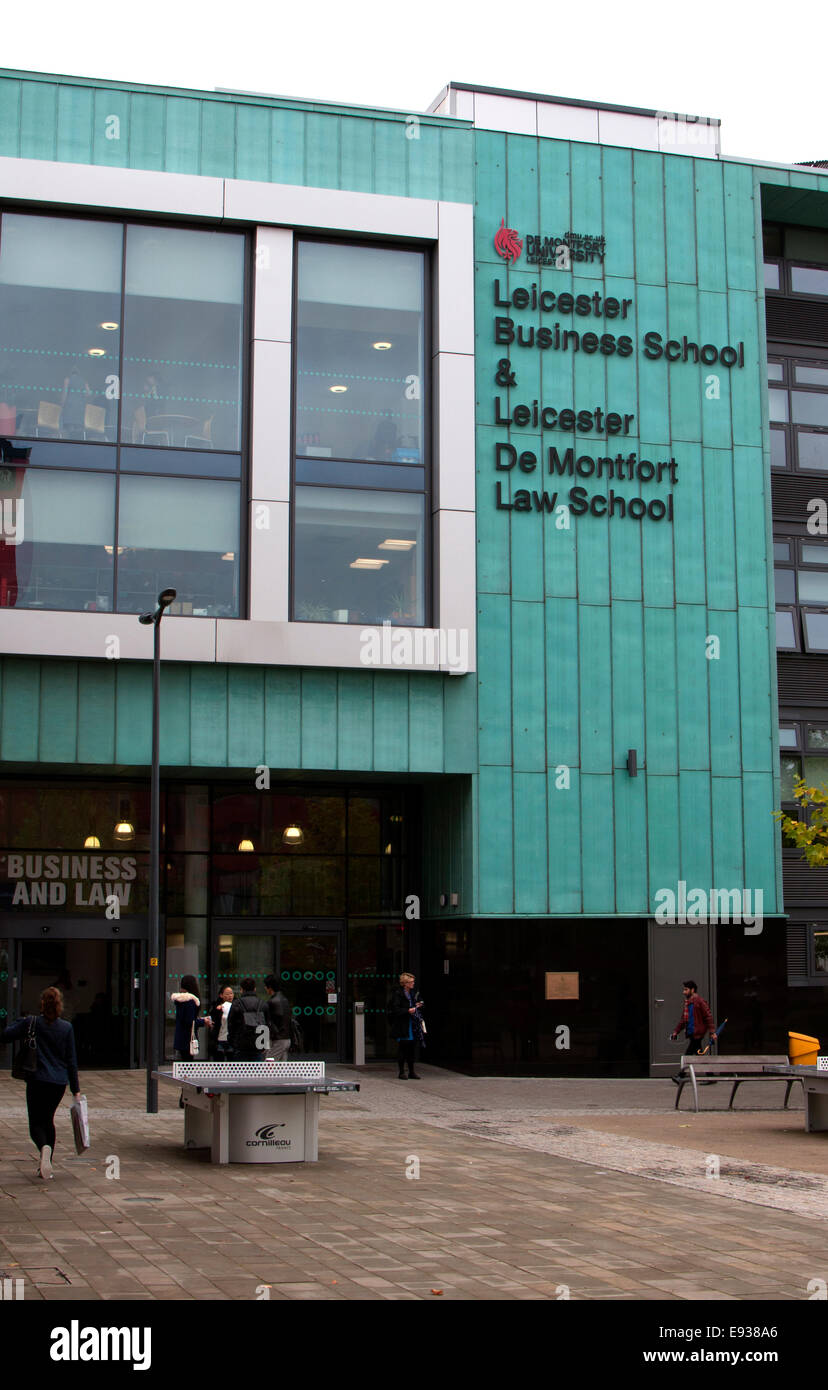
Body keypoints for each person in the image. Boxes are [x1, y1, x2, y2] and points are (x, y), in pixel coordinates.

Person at [0, 986, 81, 1180]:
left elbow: (6, 1035)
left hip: (37, 1079)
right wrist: (75, 1089)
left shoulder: (31, 1023)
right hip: (58, 1083)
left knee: (36, 1123)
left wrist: (21, 1021)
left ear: (42, 1003)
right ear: (60, 1005)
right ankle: (48, 1162)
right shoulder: (66, 1028)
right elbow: (71, 1060)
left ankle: (43, 1148)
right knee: (48, 1120)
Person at [387, 972, 425, 1079]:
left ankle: (412, 1071)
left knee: (411, 1049)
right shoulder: (398, 993)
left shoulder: (414, 993)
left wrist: (419, 1004)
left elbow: (420, 1001)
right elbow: (395, 1009)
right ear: (405, 983)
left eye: (413, 981)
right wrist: (407, 1010)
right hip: (403, 1024)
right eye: (411, 982)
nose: (413, 983)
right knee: (403, 1047)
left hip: (413, 1023)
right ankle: (401, 1072)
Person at [671, 979, 717, 1057]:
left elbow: (708, 1016)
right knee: (698, 1054)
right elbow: (683, 1020)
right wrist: (676, 1031)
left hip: (697, 1033)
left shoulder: (699, 1001)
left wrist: (712, 1032)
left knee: (688, 1055)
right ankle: (703, 1068)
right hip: (692, 1033)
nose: (684, 992)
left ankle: (684, 1068)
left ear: (692, 990)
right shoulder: (688, 1003)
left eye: (686, 990)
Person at [170, 975, 211, 1062]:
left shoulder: (180, 1000)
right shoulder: (190, 1001)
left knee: (183, 1063)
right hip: (187, 1038)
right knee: (187, 1065)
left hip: (181, 1037)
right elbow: (190, 1021)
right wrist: (203, 1021)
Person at [229, 977, 265, 1062]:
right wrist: (264, 1044)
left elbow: (231, 1025)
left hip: (240, 1044)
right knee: (257, 1072)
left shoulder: (236, 1004)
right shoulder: (262, 1004)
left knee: (240, 1072)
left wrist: (233, 1042)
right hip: (258, 1044)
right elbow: (267, 1024)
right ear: (255, 989)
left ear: (241, 989)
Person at [263, 975, 292, 1061]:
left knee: (268, 1067)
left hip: (278, 1039)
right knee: (281, 1069)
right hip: (286, 1037)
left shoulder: (272, 1002)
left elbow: (269, 1022)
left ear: (270, 987)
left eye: (265, 986)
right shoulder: (285, 1000)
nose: (265, 988)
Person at [208, 984, 239, 1062]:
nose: (230, 996)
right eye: (227, 994)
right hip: (219, 1039)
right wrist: (218, 1010)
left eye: (231, 993)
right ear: (221, 995)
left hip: (231, 1040)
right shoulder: (217, 1007)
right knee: (219, 1064)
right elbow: (213, 1021)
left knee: (232, 1064)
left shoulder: (237, 1006)